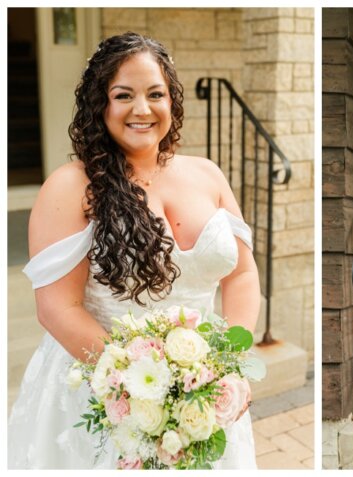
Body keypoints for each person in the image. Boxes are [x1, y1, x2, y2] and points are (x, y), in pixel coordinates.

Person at [7, 32, 258, 469]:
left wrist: (227, 365)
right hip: (103, 393)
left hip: (204, 392)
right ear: (98, 105)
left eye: (155, 94)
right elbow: (57, 307)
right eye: (124, 95)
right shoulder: (71, 187)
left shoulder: (208, 174)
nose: (142, 109)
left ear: (172, 102)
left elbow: (242, 275)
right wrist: (144, 388)